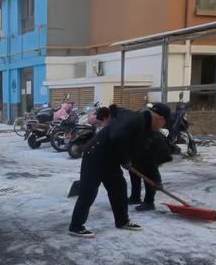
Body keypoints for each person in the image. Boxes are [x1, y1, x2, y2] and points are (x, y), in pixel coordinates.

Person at [68, 102, 171, 238]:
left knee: (118, 187)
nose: (161, 127)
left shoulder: (146, 127)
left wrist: (155, 180)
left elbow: (149, 158)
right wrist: (125, 158)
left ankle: (122, 221)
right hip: (96, 154)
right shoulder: (136, 120)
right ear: (160, 119)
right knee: (89, 191)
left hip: (110, 158)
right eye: (163, 123)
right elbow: (117, 136)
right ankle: (75, 226)